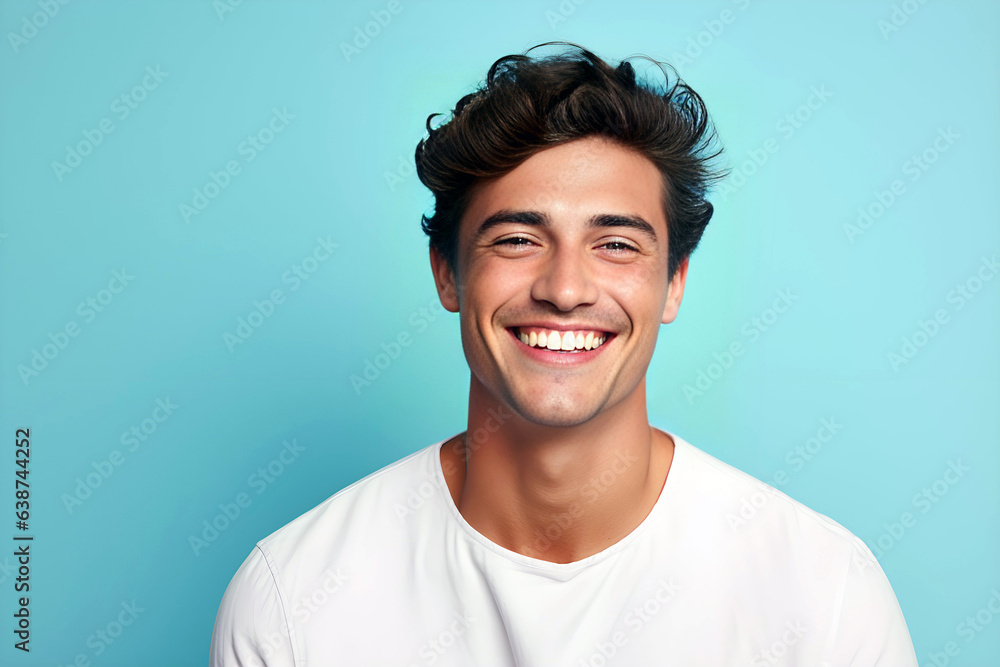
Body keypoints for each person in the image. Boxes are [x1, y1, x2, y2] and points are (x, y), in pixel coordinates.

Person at [210, 42, 918, 666]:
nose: (566, 288)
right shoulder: (294, 595)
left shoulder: (824, 594)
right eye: (517, 238)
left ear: (673, 282)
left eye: (616, 244)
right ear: (447, 272)